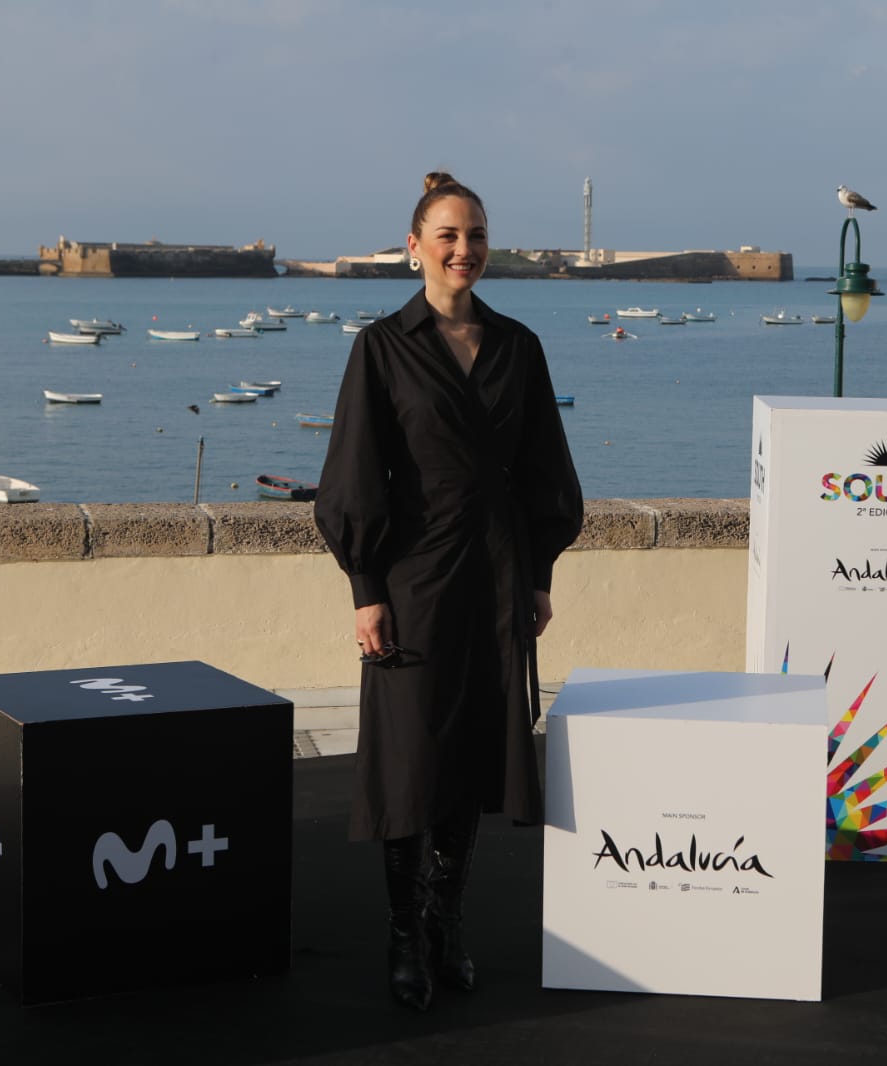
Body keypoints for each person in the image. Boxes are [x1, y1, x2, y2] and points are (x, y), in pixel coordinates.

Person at [314, 172, 584, 1011]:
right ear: (415, 247)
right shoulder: (381, 347)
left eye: (476, 235)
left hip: (495, 577)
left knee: (467, 759)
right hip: (413, 578)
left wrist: (537, 576)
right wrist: (366, 589)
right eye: (448, 235)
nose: (464, 249)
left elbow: (543, 467)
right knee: (408, 763)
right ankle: (403, 934)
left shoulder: (517, 346)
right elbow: (353, 474)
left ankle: (445, 923)